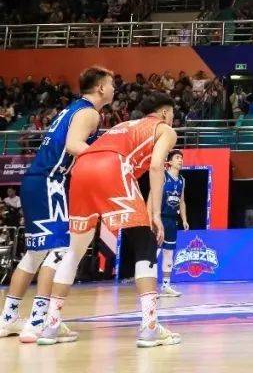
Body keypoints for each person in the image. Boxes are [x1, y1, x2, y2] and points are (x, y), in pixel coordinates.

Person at [0, 66, 113, 343]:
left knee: (34, 254)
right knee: (59, 251)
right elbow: (74, 145)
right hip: (50, 181)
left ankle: (6, 320)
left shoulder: (71, 109)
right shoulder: (89, 113)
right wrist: (106, 157)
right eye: (112, 84)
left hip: (35, 180)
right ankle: (39, 322)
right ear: (100, 88)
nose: (114, 89)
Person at [52, 93, 181, 348]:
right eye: (173, 114)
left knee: (74, 251)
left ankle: (51, 324)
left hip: (82, 169)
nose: (173, 119)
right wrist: (155, 214)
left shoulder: (123, 125)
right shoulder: (165, 129)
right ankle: (150, 327)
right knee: (146, 243)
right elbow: (157, 167)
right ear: (165, 113)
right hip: (113, 167)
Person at [159, 149, 189, 298]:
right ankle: (149, 287)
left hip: (172, 220)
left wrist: (184, 219)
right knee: (153, 252)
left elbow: (182, 201)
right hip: (160, 218)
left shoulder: (182, 180)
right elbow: (154, 196)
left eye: (181, 158)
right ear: (169, 161)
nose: (180, 160)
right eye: (177, 157)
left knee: (169, 253)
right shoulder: (162, 176)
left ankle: (166, 286)